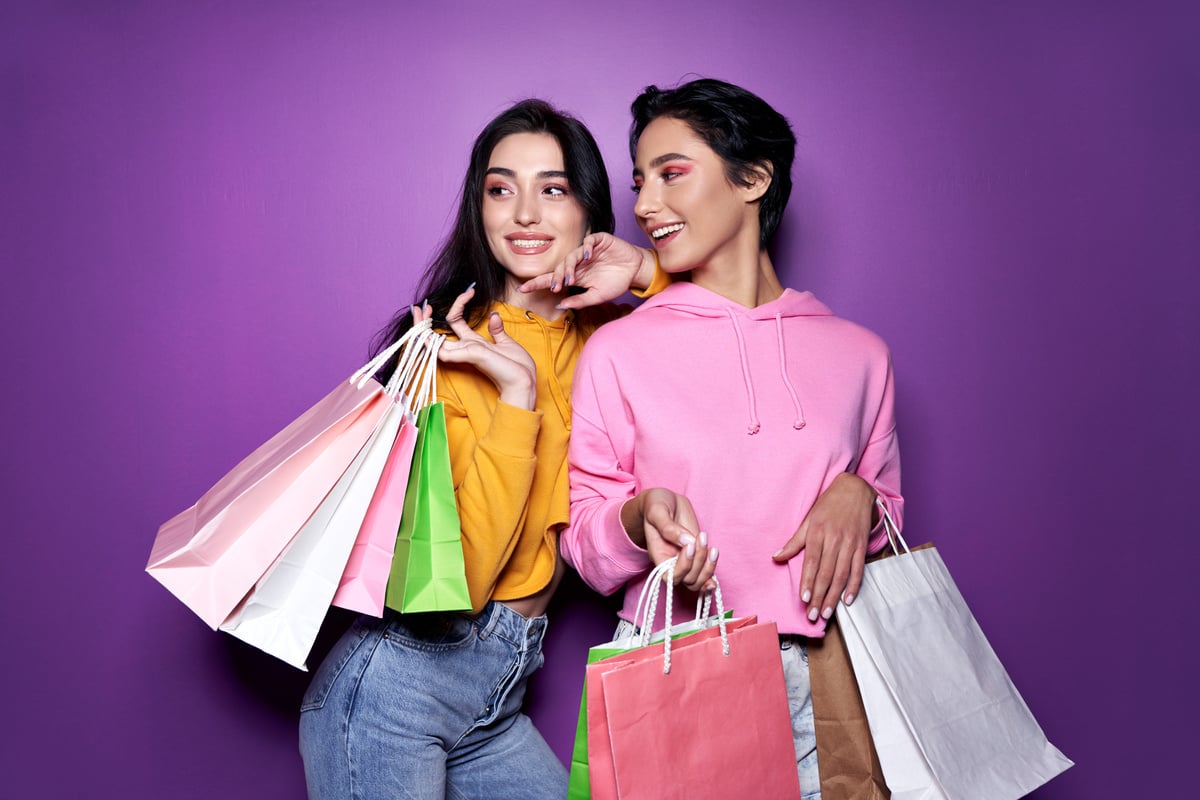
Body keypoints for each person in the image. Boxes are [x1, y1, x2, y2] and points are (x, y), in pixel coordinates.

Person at [547, 78, 904, 799]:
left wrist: (860, 495)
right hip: (681, 666)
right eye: (640, 182)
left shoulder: (862, 354)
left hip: (837, 671)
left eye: (672, 174)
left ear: (755, 177)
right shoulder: (618, 350)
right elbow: (584, 541)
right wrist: (640, 514)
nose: (645, 206)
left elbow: (888, 517)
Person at [298, 99, 663, 800]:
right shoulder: (448, 350)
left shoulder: (612, 340)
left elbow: (730, 313)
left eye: (552, 189)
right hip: (397, 692)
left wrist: (645, 270)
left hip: (500, 696)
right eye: (501, 189)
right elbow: (454, 584)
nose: (524, 213)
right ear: (480, 208)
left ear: (589, 208)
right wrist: (517, 401)